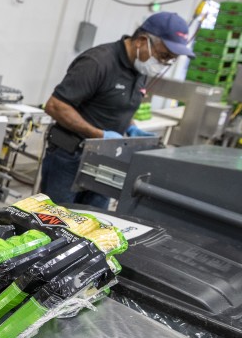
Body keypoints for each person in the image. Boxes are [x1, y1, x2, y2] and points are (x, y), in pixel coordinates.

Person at [40, 11, 195, 209]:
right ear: (141, 41)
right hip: (70, 157)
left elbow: (117, 107)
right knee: (55, 220)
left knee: (94, 222)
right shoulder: (98, 62)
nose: (163, 63)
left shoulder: (140, 69)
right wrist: (100, 134)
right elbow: (55, 106)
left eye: (170, 60)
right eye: (163, 55)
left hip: (106, 160)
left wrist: (131, 128)